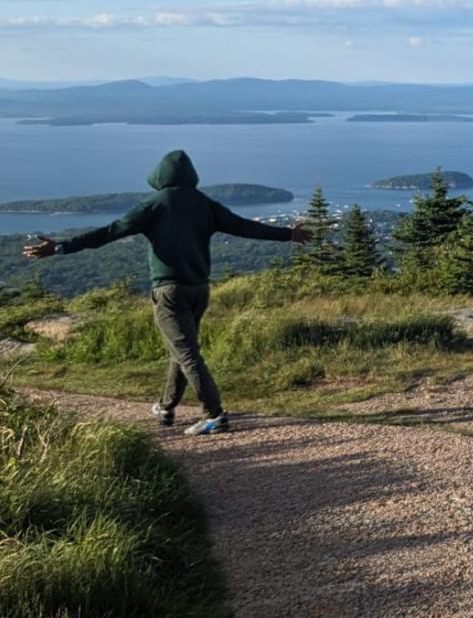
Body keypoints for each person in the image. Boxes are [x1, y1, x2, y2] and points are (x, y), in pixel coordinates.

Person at [23, 150, 309, 435]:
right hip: (199, 290)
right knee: (181, 349)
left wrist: (61, 247)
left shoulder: (155, 204)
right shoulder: (204, 203)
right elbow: (244, 227)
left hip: (169, 291)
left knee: (187, 353)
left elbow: (110, 232)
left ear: (160, 176)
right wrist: (288, 234)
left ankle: (214, 415)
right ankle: (165, 406)